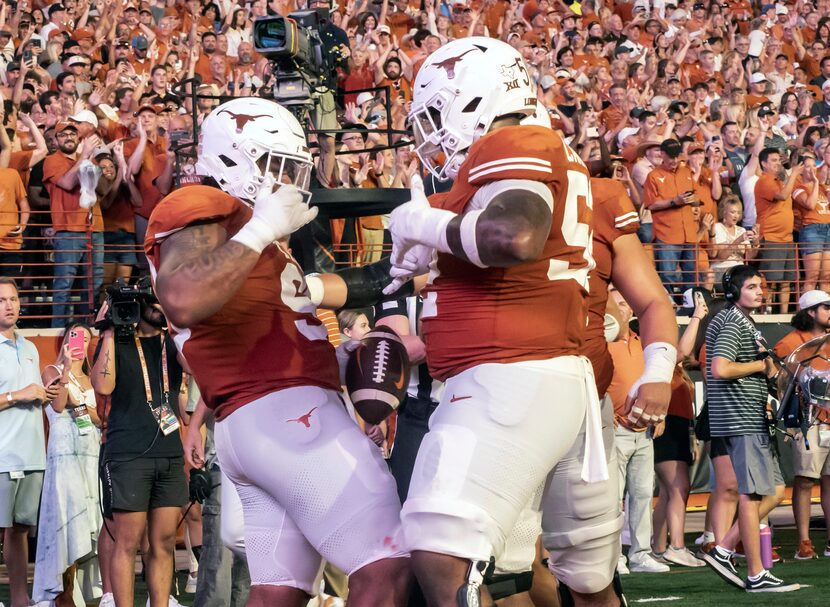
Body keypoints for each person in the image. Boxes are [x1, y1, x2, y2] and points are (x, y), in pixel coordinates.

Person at [385, 37, 638, 606]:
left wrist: (423, 223)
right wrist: (439, 240)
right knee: (588, 577)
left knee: (438, 543)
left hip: (512, 371)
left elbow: (513, 236)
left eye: (433, 115)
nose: (428, 134)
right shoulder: (546, 151)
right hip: (561, 375)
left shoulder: (513, 140)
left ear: (475, 97)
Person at [146, 96, 411, 607]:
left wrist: (333, 357)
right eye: (275, 165)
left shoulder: (245, 238)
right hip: (286, 415)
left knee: (277, 593)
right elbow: (182, 299)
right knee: (387, 566)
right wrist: (261, 227)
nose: (287, 180)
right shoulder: (204, 206)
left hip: (262, 419)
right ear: (231, 160)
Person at [701, 265, 798, 593]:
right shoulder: (731, 321)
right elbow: (721, 369)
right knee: (752, 495)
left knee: (774, 491)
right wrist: (762, 365)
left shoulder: (741, 320)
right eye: (753, 286)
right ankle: (756, 573)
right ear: (733, 292)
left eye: (761, 286)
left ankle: (725, 549)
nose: (760, 291)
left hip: (749, 418)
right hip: (741, 420)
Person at [91, 291, 188, 607]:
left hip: (170, 453)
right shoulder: (116, 342)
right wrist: (107, 329)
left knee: (162, 543)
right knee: (128, 543)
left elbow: (195, 366)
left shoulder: (172, 341)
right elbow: (103, 387)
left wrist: (177, 323)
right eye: (155, 302)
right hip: (128, 454)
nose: (161, 307)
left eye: (165, 300)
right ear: (139, 306)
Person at [0, 277, 61, 607]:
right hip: (2, 454)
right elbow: (17, 395)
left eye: (13, 299)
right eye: (2, 300)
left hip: (32, 454)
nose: (9, 305)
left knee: (21, 530)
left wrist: (45, 395)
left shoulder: (29, 347)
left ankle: (20, 598)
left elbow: (34, 397)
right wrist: (16, 395)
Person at [33, 323, 103, 607]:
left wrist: (82, 407)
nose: (81, 342)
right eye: (76, 336)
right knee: (67, 522)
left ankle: (90, 596)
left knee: (91, 525)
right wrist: (65, 368)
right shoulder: (51, 370)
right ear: (66, 341)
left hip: (91, 455)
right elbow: (60, 405)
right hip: (63, 456)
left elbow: (100, 418)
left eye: (86, 338)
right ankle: (64, 596)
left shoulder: (92, 379)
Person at [773, 290, 830, 561]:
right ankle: (804, 542)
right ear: (810, 311)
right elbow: (778, 382)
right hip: (809, 421)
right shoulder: (790, 342)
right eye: (826, 307)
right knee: (806, 480)